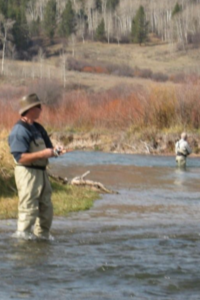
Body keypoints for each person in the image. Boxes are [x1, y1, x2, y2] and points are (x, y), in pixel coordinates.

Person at [8, 93, 64, 240]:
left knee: (46, 208)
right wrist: (42, 154)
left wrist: (55, 151)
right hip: (27, 173)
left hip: (42, 173)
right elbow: (20, 158)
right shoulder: (19, 131)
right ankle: (22, 243)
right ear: (31, 109)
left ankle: (42, 239)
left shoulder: (38, 128)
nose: (41, 109)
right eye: (39, 106)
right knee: (28, 209)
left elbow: (48, 149)